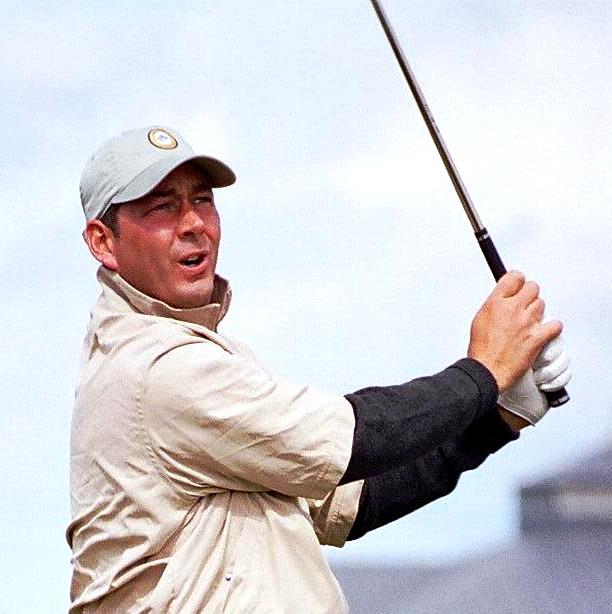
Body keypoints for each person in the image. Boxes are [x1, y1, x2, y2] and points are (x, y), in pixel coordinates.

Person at [67, 126, 571, 613]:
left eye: (202, 200)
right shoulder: (157, 367)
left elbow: (353, 502)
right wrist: (482, 374)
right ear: (103, 242)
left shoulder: (207, 358)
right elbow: (359, 438)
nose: (193, 222)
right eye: (162, 207)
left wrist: (496, 417)